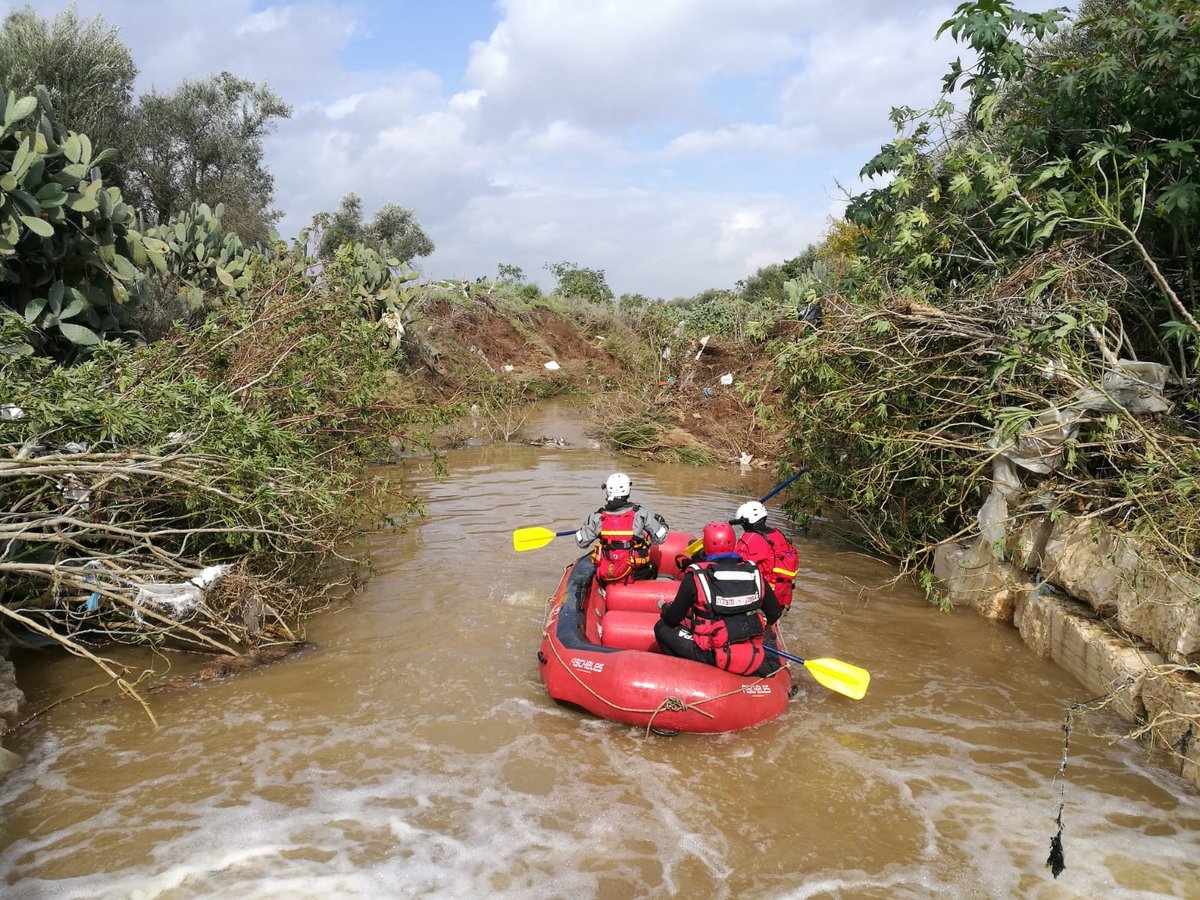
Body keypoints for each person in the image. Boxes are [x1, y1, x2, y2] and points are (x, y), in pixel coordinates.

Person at [654, 521, 781, 677]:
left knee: (662, 627)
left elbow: (673, 619)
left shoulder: (696, 576)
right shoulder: (754, 573)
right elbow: (774, 612)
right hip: (750, 653)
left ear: (705, 546)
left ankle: (681, 676)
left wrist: (667, 610)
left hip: (711, 653)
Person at [570, 472, 670, 591]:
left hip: (607, 573)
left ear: (607, 491)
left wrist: (584, 529)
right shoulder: (641, 514)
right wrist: (663, 525)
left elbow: (581, 542)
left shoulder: (597, 517)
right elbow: (660, 539)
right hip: (635, 573)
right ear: (628, 490)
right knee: (653, 567)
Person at [730, 500, 799, 612]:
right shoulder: (778, 534)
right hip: (784, 594)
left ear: (747, 522)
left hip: (764, 596)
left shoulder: (749, 539)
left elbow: (736, 565)